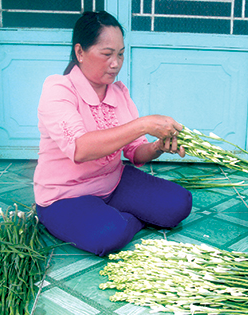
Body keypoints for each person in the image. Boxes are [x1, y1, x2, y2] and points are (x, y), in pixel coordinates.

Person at [33, 11, 192, 257]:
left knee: (178, 205)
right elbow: (80, 148)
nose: (115, 63)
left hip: (113, 182)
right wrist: (143, 124)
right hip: (66, 195)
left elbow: (135, 152)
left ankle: (115, 217)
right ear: (80, 52)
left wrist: (158, 146)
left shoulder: (118, 92)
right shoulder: (58, 89)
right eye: (107, 54)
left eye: (120, 54)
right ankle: (103, 220)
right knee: (108, 235)